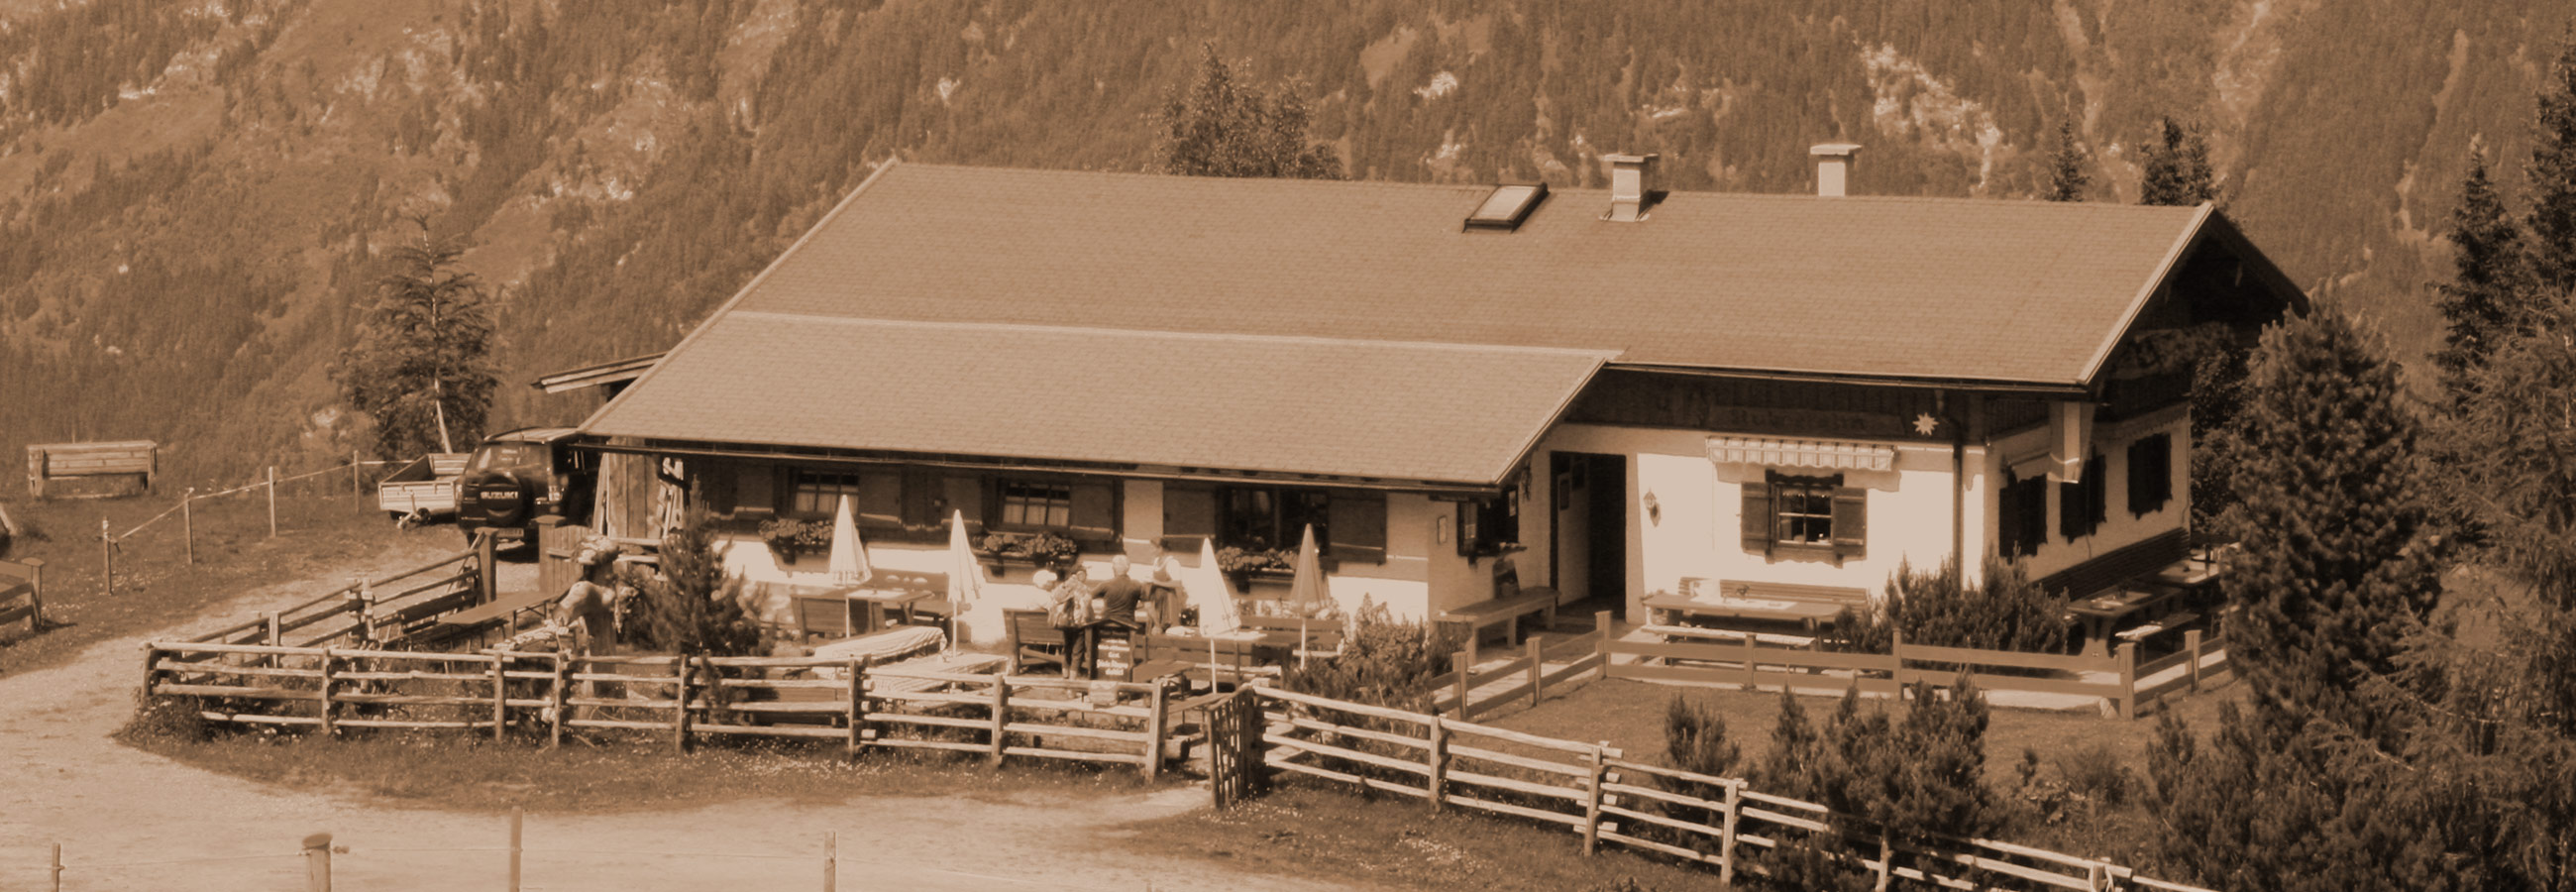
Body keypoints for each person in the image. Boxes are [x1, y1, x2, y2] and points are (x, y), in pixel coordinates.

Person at [1097, 554, 1145, 627]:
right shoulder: (1137, 585)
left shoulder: (1106, 584)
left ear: (1113, 568)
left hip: (1106, 622)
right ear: (1128, 568)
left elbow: (1087, 597)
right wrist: (1131, 607)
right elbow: (1144, 603)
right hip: (1128, 623)